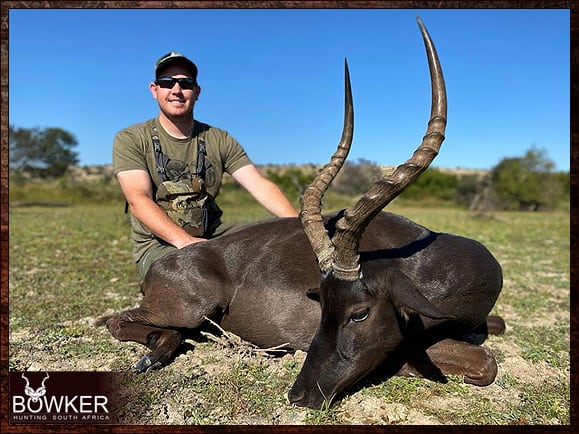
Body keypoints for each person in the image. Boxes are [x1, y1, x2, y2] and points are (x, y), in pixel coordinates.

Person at [113, 51, 298, 278]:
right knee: (195, 276)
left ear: (197, 91)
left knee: (272, 241)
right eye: (167, 83)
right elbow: (137, 199)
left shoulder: (218, 138)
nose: (177, 90)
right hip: (160, 245)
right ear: (154, 90)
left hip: (212, 237)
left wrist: (298, 227)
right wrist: (186, 242)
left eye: (185, 83)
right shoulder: (131, 138)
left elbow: (259, 185)